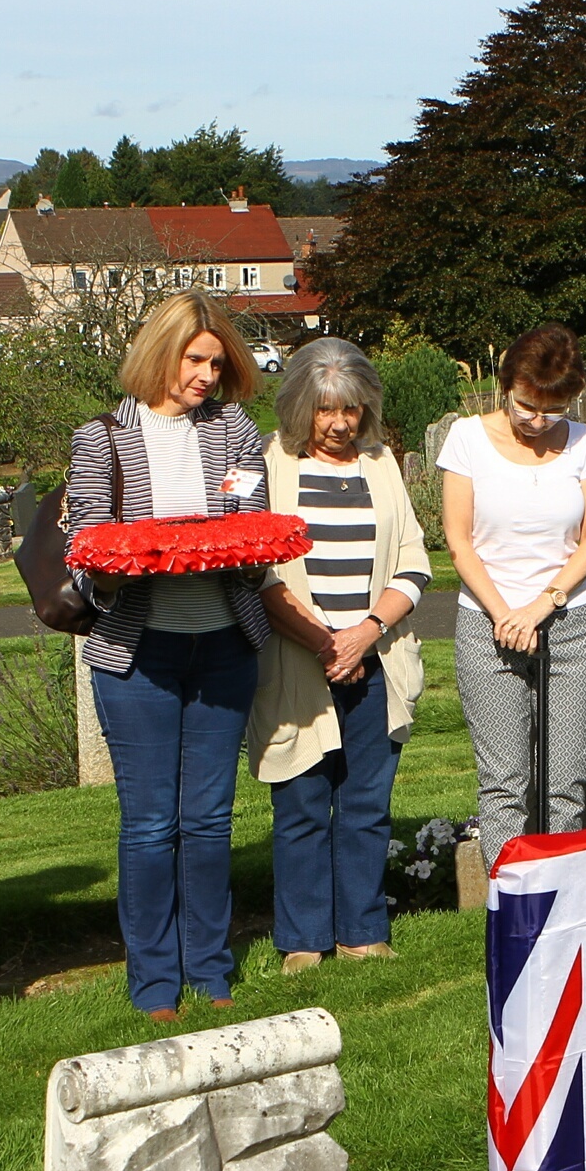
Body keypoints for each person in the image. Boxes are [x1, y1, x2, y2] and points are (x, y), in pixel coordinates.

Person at [65, 290, 272, 1018]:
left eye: (217, 362)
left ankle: (211, 969)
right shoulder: (102, 438)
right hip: (137, 653)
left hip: (223, 646)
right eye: (196, 359)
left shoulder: (236, 432)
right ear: (160, 350)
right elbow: (89, 549)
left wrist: (233, 548)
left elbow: (254, 537)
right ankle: (154, 979)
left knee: (210, 821)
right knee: (151, 823)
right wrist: (148, 554)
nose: (209, 375)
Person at [252, 339, 431, 971]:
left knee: (365, 804)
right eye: (326, 410)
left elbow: (413, 562)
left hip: (374, 657)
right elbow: (261, 574)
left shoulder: (380, 464)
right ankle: (303, 940)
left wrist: (366, 633)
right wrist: (327, 643)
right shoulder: (270, 465)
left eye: (352, 410)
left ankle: (362, 930)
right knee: (301, 802)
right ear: (300, 405)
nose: (339, 424)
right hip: (300, 659)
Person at [440, 324, 586, 867]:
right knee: (504, 782)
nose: (537, 423)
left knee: (565, 781)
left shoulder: (582, 442)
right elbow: (458, 541)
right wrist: (505, 613)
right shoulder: (467, 438)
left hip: (568, 620)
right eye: (526, 407)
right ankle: (509, 911)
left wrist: (544, 604)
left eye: (552, 411)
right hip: (488, 623)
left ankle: (561, 906)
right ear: (506, 384)